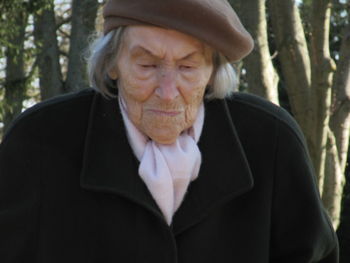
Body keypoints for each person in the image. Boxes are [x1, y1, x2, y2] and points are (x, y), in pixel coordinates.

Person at [0, 0, 339, 262]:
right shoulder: (39, 141)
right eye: (147, 65)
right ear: (113, 64)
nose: (167, 90)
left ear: (212, 72)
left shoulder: (271, 141)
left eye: (188, 67)